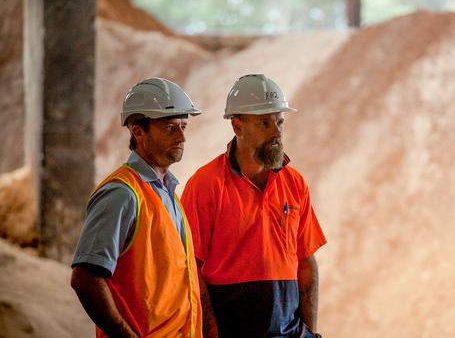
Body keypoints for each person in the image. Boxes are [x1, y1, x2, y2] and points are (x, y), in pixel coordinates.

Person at [181, 74, 327, 338]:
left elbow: (306, 262)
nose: (276, 132)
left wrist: (309, 333)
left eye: (279, 122)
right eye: (264, 123)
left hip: (290, 333)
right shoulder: (205, 185)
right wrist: (211, 331)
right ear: (238, 127)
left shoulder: (294, 183)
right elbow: (189, 268)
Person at [70, 78, 204, 338]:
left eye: (183, 126)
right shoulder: (122, 194)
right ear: (138, 132)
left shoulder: (168, 193)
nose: (182, 136)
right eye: (170, 128)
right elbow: (85, 279)